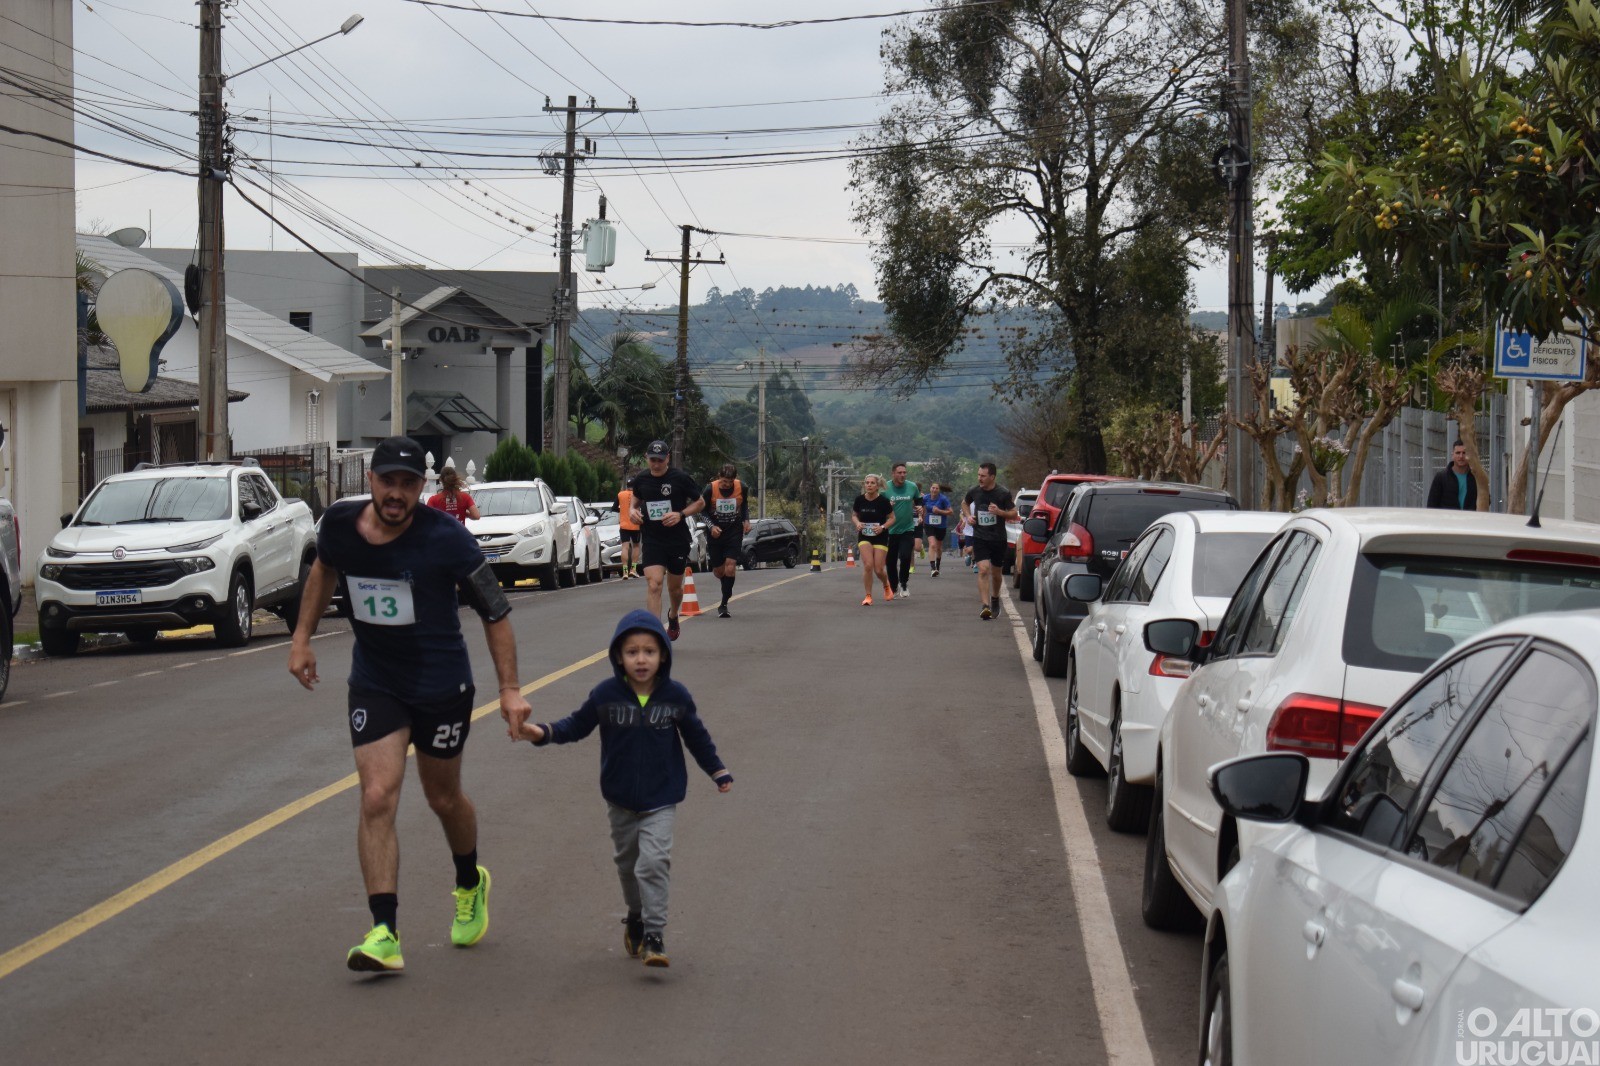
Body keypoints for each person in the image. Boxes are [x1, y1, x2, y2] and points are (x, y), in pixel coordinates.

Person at [287, 436, 533, 973]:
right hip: (377, 682)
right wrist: (302, 636)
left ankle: (470, 880)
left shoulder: (447, 539)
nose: (396, 493)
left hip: (442, 686)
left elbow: (494, 611)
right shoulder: (338, 527)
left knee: (443, 800)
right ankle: (384, 931)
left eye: (408, 484)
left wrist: (509, 689)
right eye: (387, 481)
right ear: (370, 481)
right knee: (377, 795)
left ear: (422, 488)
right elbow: (323, 570)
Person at [519, 609, 732, 968]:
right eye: (632, 652)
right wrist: (543, 733)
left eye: (649, 651)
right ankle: (635, 914)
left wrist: (717, 770)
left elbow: (696, 736)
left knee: (653, 863)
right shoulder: (606, 694)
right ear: (619, 656)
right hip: (619, 798)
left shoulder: (675, 696)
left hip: (662, 798)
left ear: (663, 654)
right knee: (628, 865)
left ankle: (654, 934)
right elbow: (577, 725)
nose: (641, 659)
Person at [628, 441, 704, 641]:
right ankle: (654, 633)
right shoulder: (641, 479)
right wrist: (632, 511)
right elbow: (634, 500)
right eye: (652, 460)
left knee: (675, 589)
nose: (656, 464)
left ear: (667, 458)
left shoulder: (680, 479)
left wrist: (680, 514)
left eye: (660, 460)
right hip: (652, 539)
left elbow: (700, 502)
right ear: (647, 458)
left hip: (676, 540)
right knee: (654, 584)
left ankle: (673, 615)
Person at [961, 461, 1019, 620]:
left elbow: (1013, 513)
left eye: (983, 476)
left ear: (992, 477)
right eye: (979, 475)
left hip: (998, 538)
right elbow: (964, 503)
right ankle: (985, 606)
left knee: (996, 573)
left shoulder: (1003, 493)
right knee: (983, 569)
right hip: (980, 536)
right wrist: (968, 516)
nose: (979, 478)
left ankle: (995, 598)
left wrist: (999, 512)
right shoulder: (974, 490)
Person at [701, 463, 750, 618]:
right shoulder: (710, 489)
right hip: (716, 533)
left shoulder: (742, 487)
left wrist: (746, 520)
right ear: (719, 477)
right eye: (724, 481)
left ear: (734, 480)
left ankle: (723, 604)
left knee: (730, 567)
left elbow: (744, 505)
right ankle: (726, 586)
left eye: (730, 482)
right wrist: (711, 526)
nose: (726, 485)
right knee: (719, 571)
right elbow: (702, 511)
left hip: (733, 531)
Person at [852, 474, 895, 605]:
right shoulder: (859, 500)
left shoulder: (883, 501)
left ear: (877, 486)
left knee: (879, 569)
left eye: (872, 483)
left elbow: (892, 518)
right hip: (864, 536)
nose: (869, 485)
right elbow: (854, 515)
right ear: (864, 485)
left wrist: (882, 527)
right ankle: (868, 596)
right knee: (868, 565)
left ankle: (886, 585)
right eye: (867, 483)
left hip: (880, 536)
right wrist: (857, 523)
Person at [883, 462, 920, 599]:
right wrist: (887, 506)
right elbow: (879, 508)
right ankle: (893, 586)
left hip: (907, 529)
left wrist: (920, 508)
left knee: (905, 556)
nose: (902, 475)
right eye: (899, 472)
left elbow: (919, 500)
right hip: (890, 531)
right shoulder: (885, 488)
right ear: (893, 473)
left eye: (904, 472)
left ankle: (903, 583)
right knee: (890, 562)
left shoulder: (912, 486)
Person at [1426, 440, 1479, 510]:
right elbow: (1431, 505)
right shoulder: (1441, 477)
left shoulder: (1476, 478)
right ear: (1452, 455)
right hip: (1448, 520)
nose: (1461, 456)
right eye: (1458, 453)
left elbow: (1486, 500)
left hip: (1469, 519)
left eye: (1464, 453)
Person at [920, 482, 953, 577]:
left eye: (936, 488)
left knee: (938, 547)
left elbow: (951, 512)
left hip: (941, 526)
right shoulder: (925, 498)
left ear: (939, 490)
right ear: (930, 488)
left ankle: (937, 566)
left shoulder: (943, 499)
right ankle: (933, 568)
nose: (934, 490)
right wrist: (920, 516)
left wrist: (939, 511)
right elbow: (918, 506)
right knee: (932, 544)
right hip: (928, 524)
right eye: (933, 488)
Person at [616, 478, 642, 579]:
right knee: (636, 546)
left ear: (627, 485)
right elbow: (643, 507)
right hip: (636, 524)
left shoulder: (620, 494)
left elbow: (614, 507)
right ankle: (633, 569)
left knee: (625, 547)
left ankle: (625, 571)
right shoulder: (638, 495)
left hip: (623, 525)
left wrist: (622, 510)